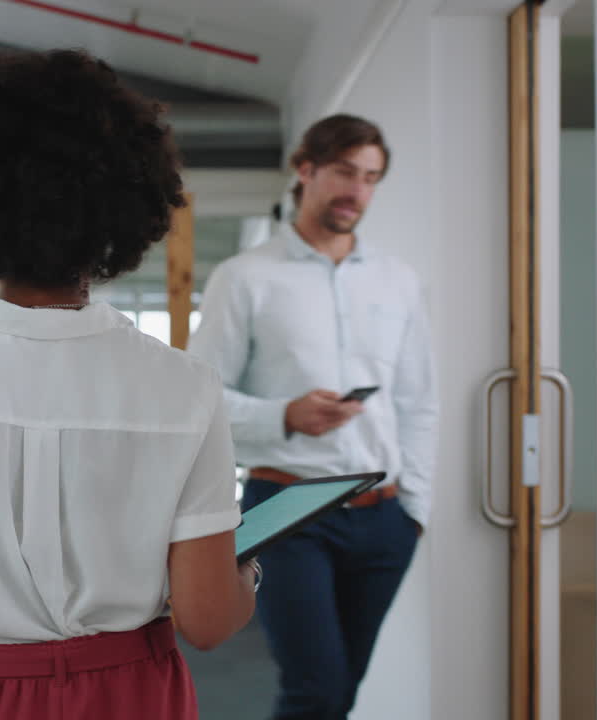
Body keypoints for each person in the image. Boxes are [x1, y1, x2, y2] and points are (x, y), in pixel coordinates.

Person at [0, 50, 259, 720]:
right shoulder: (184, 389)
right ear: (124, 207)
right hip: (134, 697)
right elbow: (206, 619)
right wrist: (246, 578)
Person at [187, 114, 438, 719]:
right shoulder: (245, 277)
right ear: (306, 170)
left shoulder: (397, 280)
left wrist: (417, 511)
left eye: (371, 178)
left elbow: (417, 400)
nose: (358, 191)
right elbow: (198, 400)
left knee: (342, 692)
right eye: (346, 172)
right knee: (315, 690)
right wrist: (284, 417)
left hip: (384, 518)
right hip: (288, 509)